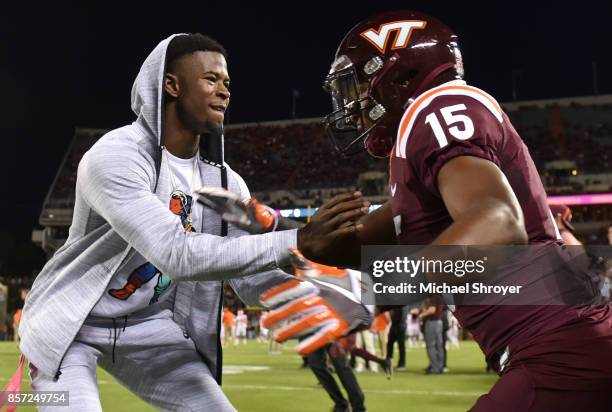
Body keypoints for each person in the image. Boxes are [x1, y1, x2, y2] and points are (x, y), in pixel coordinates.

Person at [268, 10, 612, 411]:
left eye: (357, 84)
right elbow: (359, 242)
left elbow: (498, 225)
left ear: (395, 76)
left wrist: (372, 290)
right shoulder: (421, 150)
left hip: (560, 351)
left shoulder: (436, 107)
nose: (351, 104)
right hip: (561, 349)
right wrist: (303, 244)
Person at [16, 33, 368, 411]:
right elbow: (176, 254)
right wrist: (297, 240)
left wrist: (320, 295)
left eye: (228, 83)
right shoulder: (114, 157)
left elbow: (248, 279)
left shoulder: (225, 181)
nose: (224, 91)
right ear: (171, 85)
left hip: (147, 325)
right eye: (211, 79)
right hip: (72, 324)